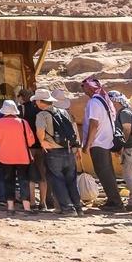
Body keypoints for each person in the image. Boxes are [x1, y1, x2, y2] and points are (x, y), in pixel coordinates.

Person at [33, 87, 83, 216]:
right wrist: (76, 147)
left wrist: (42, 141)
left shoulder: (42, 115)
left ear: (40, 101)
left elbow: (40, 130)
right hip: (68, 150)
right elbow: (73, 128)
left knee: (57, 180)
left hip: (53, 151)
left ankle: (67, 208)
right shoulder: (63, 112)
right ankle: (78, 207)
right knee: (71, 180)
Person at [81, 76, 123, 212]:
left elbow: (94, 123)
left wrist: (88, 144)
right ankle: (113, 200)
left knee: (104, 172)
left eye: (84, 86)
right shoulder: (104, 100)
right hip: (106, 141)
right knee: (107, 172)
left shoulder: (94, 102)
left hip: (97, 142)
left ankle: (115, 203)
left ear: (90, 87)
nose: (83, 89)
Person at [0, 99, 35, 212]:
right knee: (23, 181)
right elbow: (31, 141)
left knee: (8, 181)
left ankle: (10, 206)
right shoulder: (23, 123)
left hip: (4, 156)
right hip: (22, 156)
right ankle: (27, 207)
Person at [111, 91, 132, 208]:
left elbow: (127, 129)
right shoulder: (123, 112)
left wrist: (121, 145)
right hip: (128, 148)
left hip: (129, 148)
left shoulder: (124, 112)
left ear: (115, 100)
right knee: (129, 175)